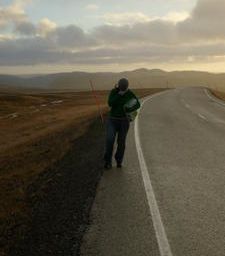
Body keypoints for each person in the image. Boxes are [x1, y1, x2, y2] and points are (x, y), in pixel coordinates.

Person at [104, 78, 141, 169]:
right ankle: (108, 162)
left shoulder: (129, 93)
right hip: (112, 120)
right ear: (118, 86)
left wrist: (128, 108)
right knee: (110, 140)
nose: (122, 88)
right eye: (120, 87)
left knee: (121, 143)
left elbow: (138, 104)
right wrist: (119, 95)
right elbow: (110, 103)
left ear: (126, 87)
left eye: (123, 87)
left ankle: (119, 161)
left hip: (124, 121)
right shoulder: (114, 92)